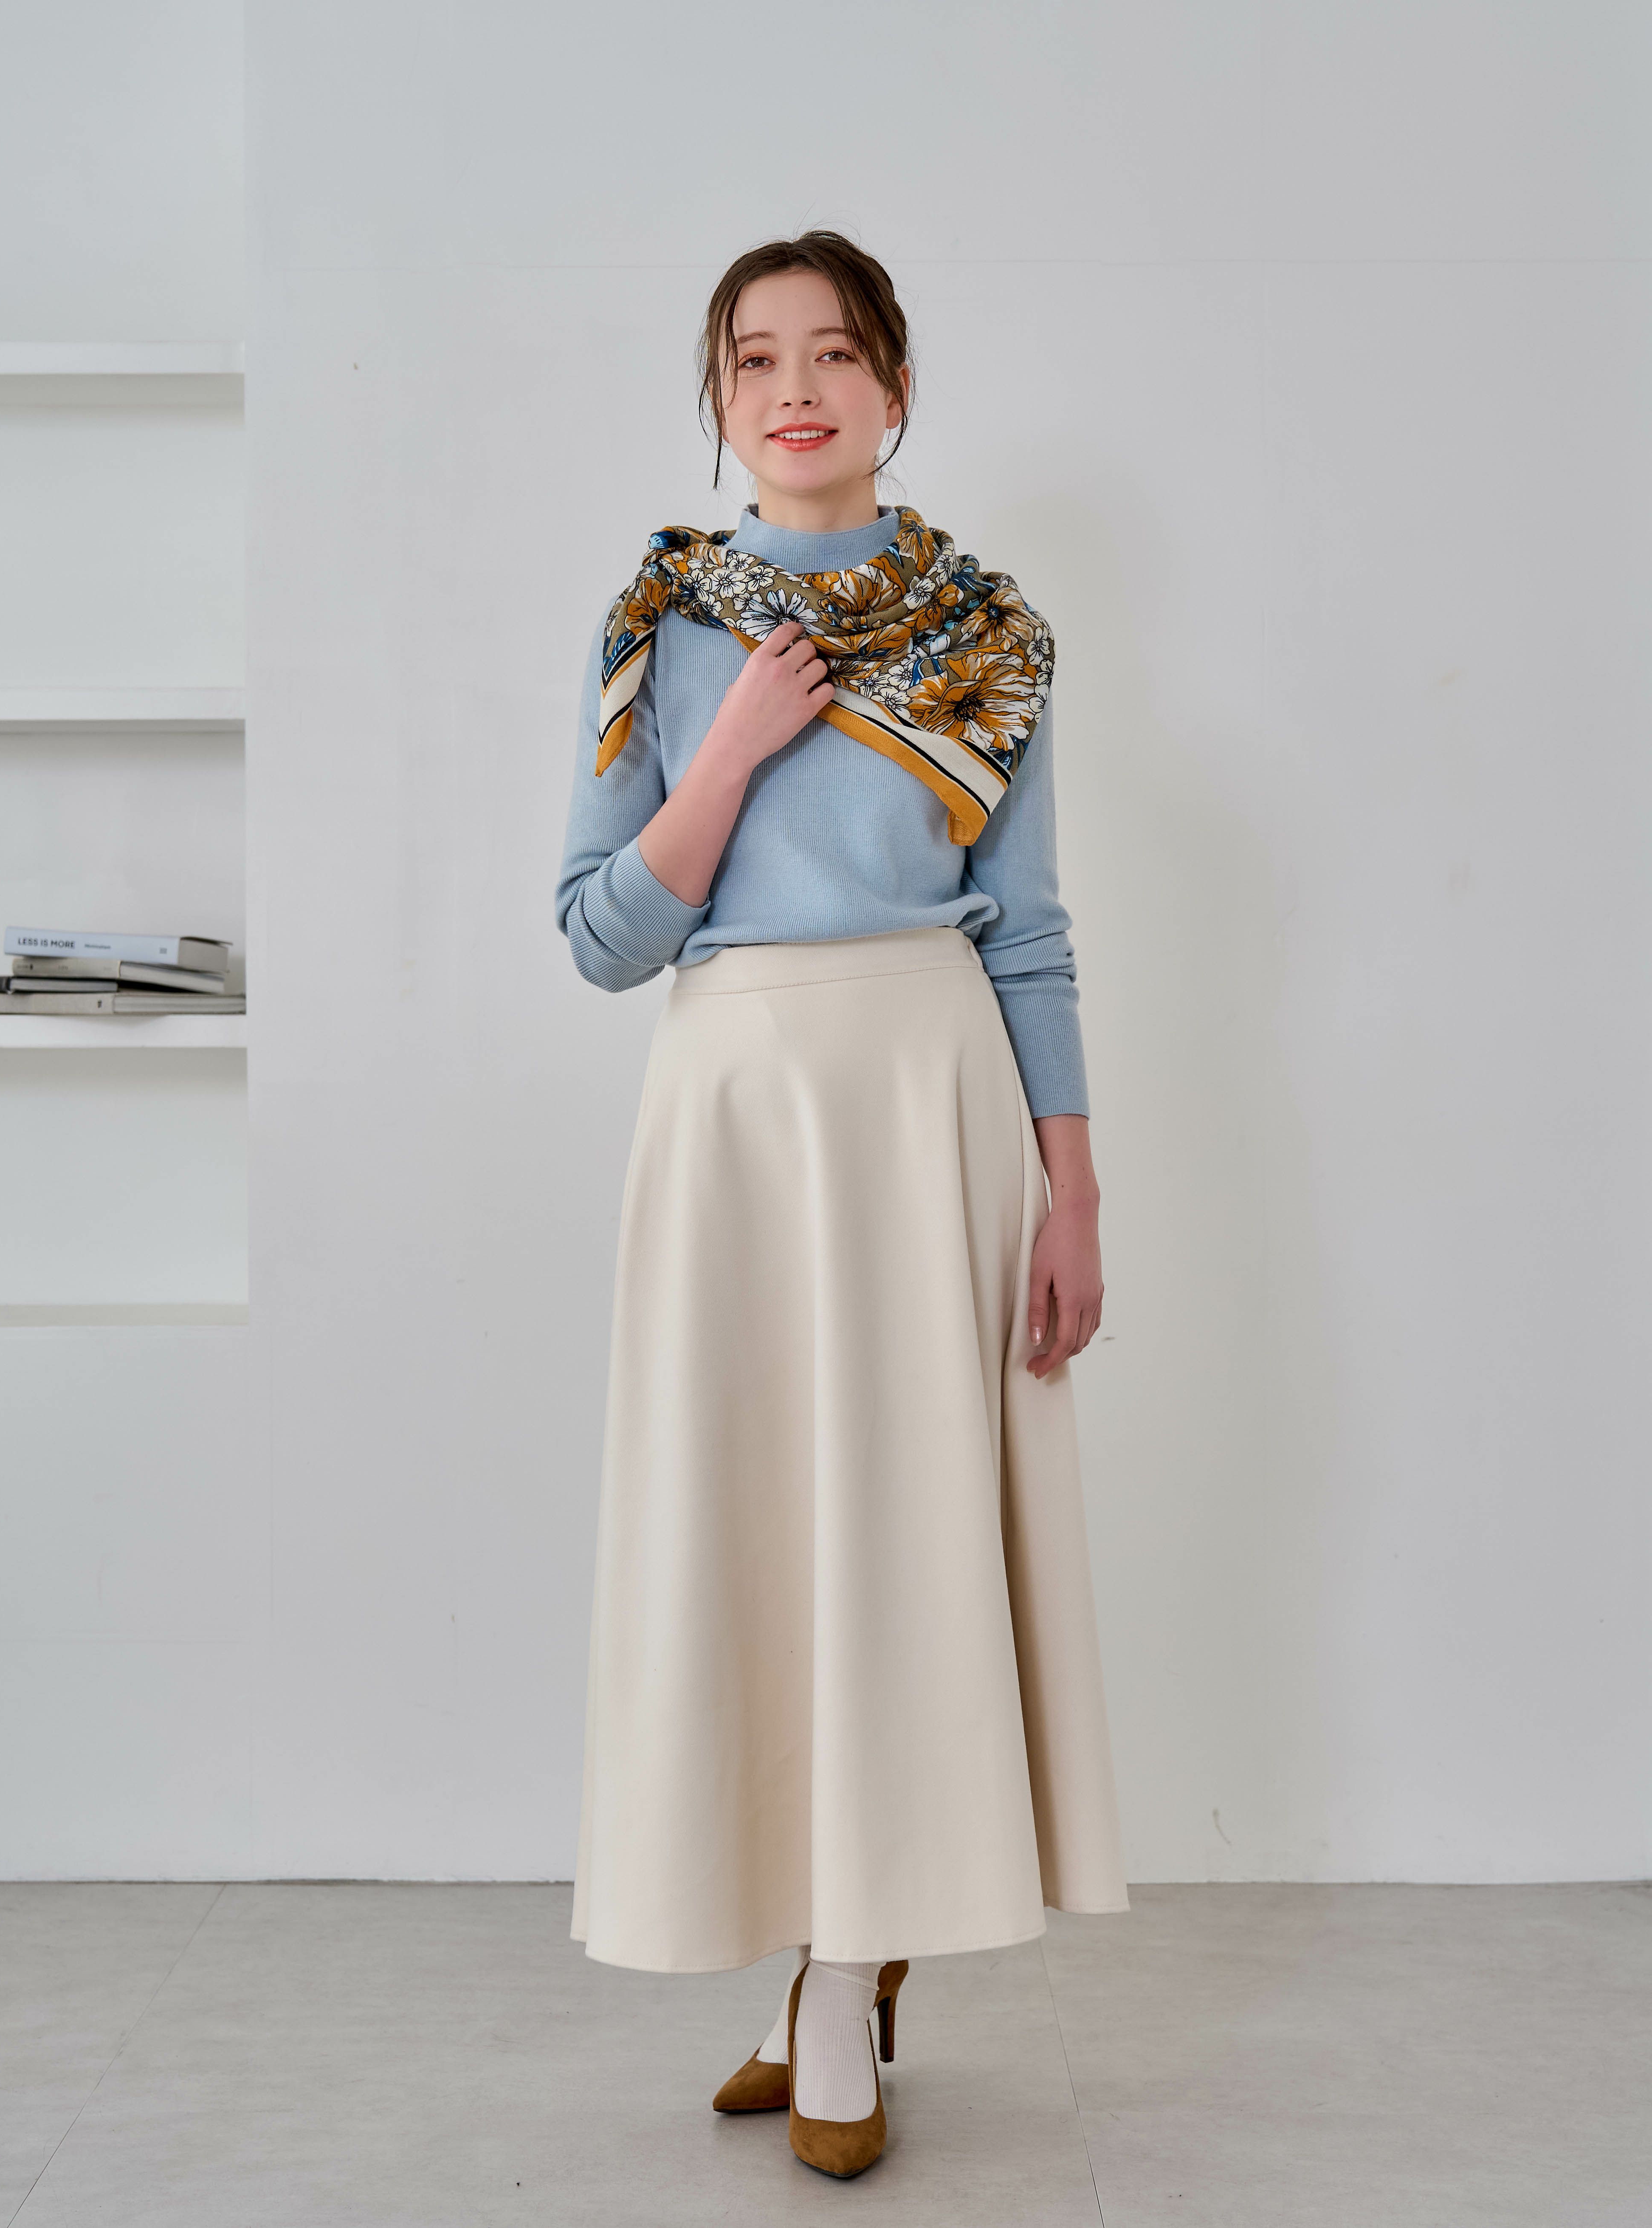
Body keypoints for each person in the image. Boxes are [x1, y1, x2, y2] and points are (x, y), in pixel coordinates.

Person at [553, 229, 1128, 2182]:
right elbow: (601, 936)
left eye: (829, 353)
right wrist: (727, 746)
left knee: (897, 1535)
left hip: (926, 1102)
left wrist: (1072, 1189)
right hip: (731, 1107)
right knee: (751, 1533)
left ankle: (840, 1969)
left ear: (891, 383)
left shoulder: (986, 632)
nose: (790, 391)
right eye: (751, 360)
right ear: (718, 402)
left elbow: (1026, 929)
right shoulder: (658, 621)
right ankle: (819, 1956)